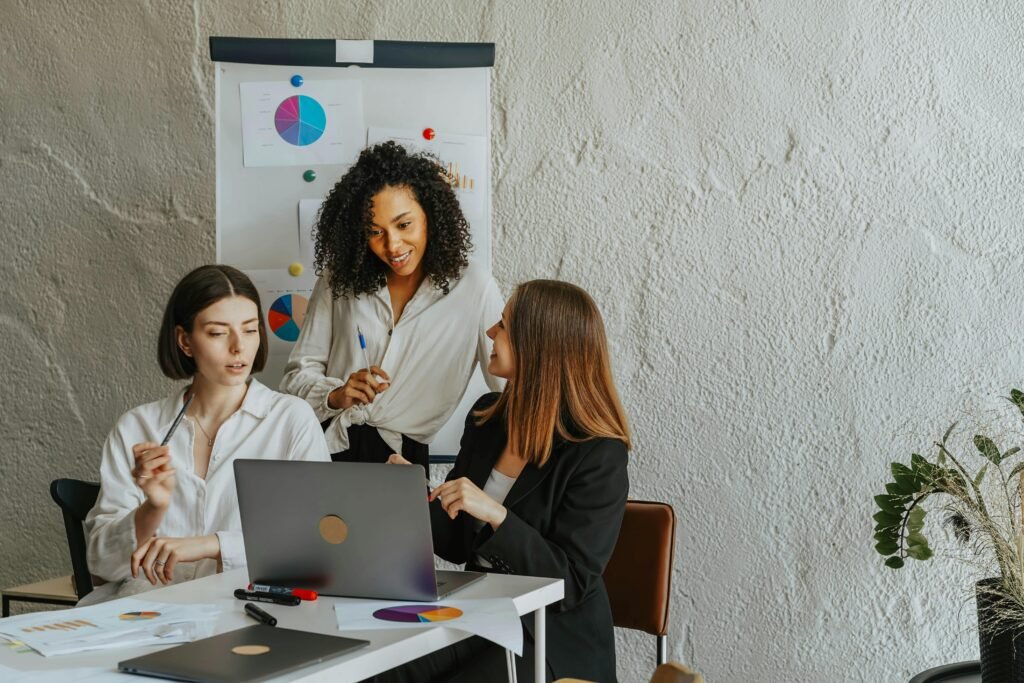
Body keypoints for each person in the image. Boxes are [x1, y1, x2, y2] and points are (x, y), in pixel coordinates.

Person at [382, 280, 631, 682]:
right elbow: (457, 544)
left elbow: (570, 583)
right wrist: (413, 494)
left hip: (548, 634)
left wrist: (497, 515)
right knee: (382, 670)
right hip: (479, 609)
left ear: (539, 346)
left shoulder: (598, 452)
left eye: (504, 325)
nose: (490, 333)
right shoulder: (487, 419)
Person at [83, 265, 330, 604]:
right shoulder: (137, 427)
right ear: (185, 341)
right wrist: (152, 508)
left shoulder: (290, 420)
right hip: (147, 616)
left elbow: (315, 542)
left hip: (249, 611)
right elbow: (100, 566)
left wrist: (212, 544)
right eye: (217, 333)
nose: (238, 347)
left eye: (249, 330)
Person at [280, 141, 503, 469]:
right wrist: (337, 394)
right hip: (324, 444)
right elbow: (295, 378)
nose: (392, 245)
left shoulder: (475, 287)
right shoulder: (339, 279)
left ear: (430, 214)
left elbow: (512, 387)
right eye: (374, 232)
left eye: (403, 225)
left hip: (402, 458)